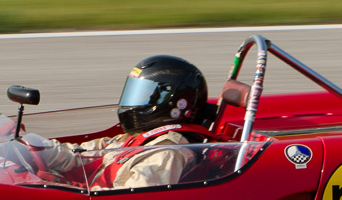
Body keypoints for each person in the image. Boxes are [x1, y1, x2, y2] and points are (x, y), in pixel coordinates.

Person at [27, 55, 212, 189]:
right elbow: (80, 156)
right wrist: (33, 147)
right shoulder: (140, 138)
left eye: (143, 95)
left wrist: (67, 189)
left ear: (175, 104)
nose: (133, 102)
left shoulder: (166, 153)